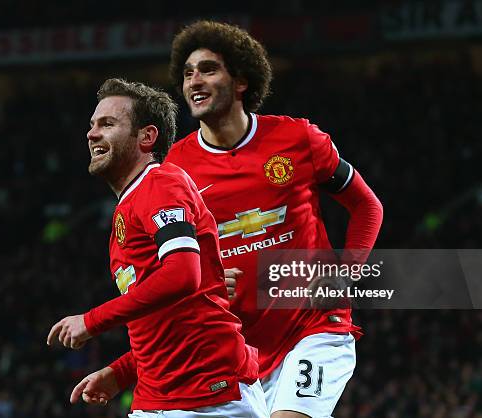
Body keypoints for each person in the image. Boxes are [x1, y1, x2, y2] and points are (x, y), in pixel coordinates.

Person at [81, 21, 383, 418]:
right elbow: (176, 299)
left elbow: (367, 206)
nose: (194, 80)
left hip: (314, 330)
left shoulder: (298, 140)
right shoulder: (175, 170)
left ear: (241, 80)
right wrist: (124, 371)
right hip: (240, 351)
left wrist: (345, 273)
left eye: (208, 69)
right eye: (187, 73)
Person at [46, 78, 268, 417]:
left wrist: (92, 321)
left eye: (107, 124)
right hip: (158, 398)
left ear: (147, 137)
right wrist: (121, 372)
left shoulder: (162, 184)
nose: (91, 134)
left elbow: (182, 274)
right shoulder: (131, 205)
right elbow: (169, 317)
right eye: (92, 125)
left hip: (210, 398)